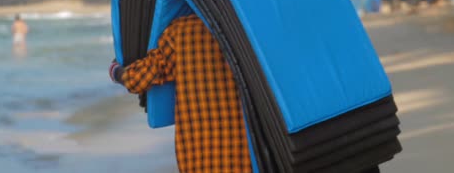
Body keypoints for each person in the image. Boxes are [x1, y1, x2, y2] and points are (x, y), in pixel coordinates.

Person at [109, 15, 382, 173]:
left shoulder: (181, 32)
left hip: (201, 158)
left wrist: (116, 71)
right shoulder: (252, 28)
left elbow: (138, 79)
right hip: (252, 155)